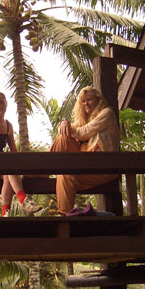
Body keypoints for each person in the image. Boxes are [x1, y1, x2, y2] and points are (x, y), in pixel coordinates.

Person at [50, 86, 120, 215]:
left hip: (104, 166)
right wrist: (64, 122)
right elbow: (68, 129)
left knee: (65, 173)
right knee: (63, 138)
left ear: (98, 100)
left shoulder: (106, 113)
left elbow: (83, 133)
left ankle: (64, 216)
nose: (86, 103)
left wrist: (67, 126)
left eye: (89, 100)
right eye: (83, 101)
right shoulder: (84, 119)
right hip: (86, 164)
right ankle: (65, 215)